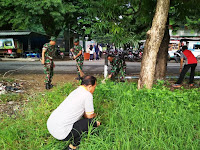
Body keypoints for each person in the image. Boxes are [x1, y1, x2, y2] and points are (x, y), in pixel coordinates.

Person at [47, 76, 101, 150]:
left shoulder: (76, 91)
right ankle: (72, 147)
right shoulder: (87, 95)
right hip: (61, 133)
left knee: (81, 122)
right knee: (92, 122)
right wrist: (95, 118)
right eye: (94, 87)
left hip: (51, 125)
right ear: (89, 87)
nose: (94, 89)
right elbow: (89, 116)